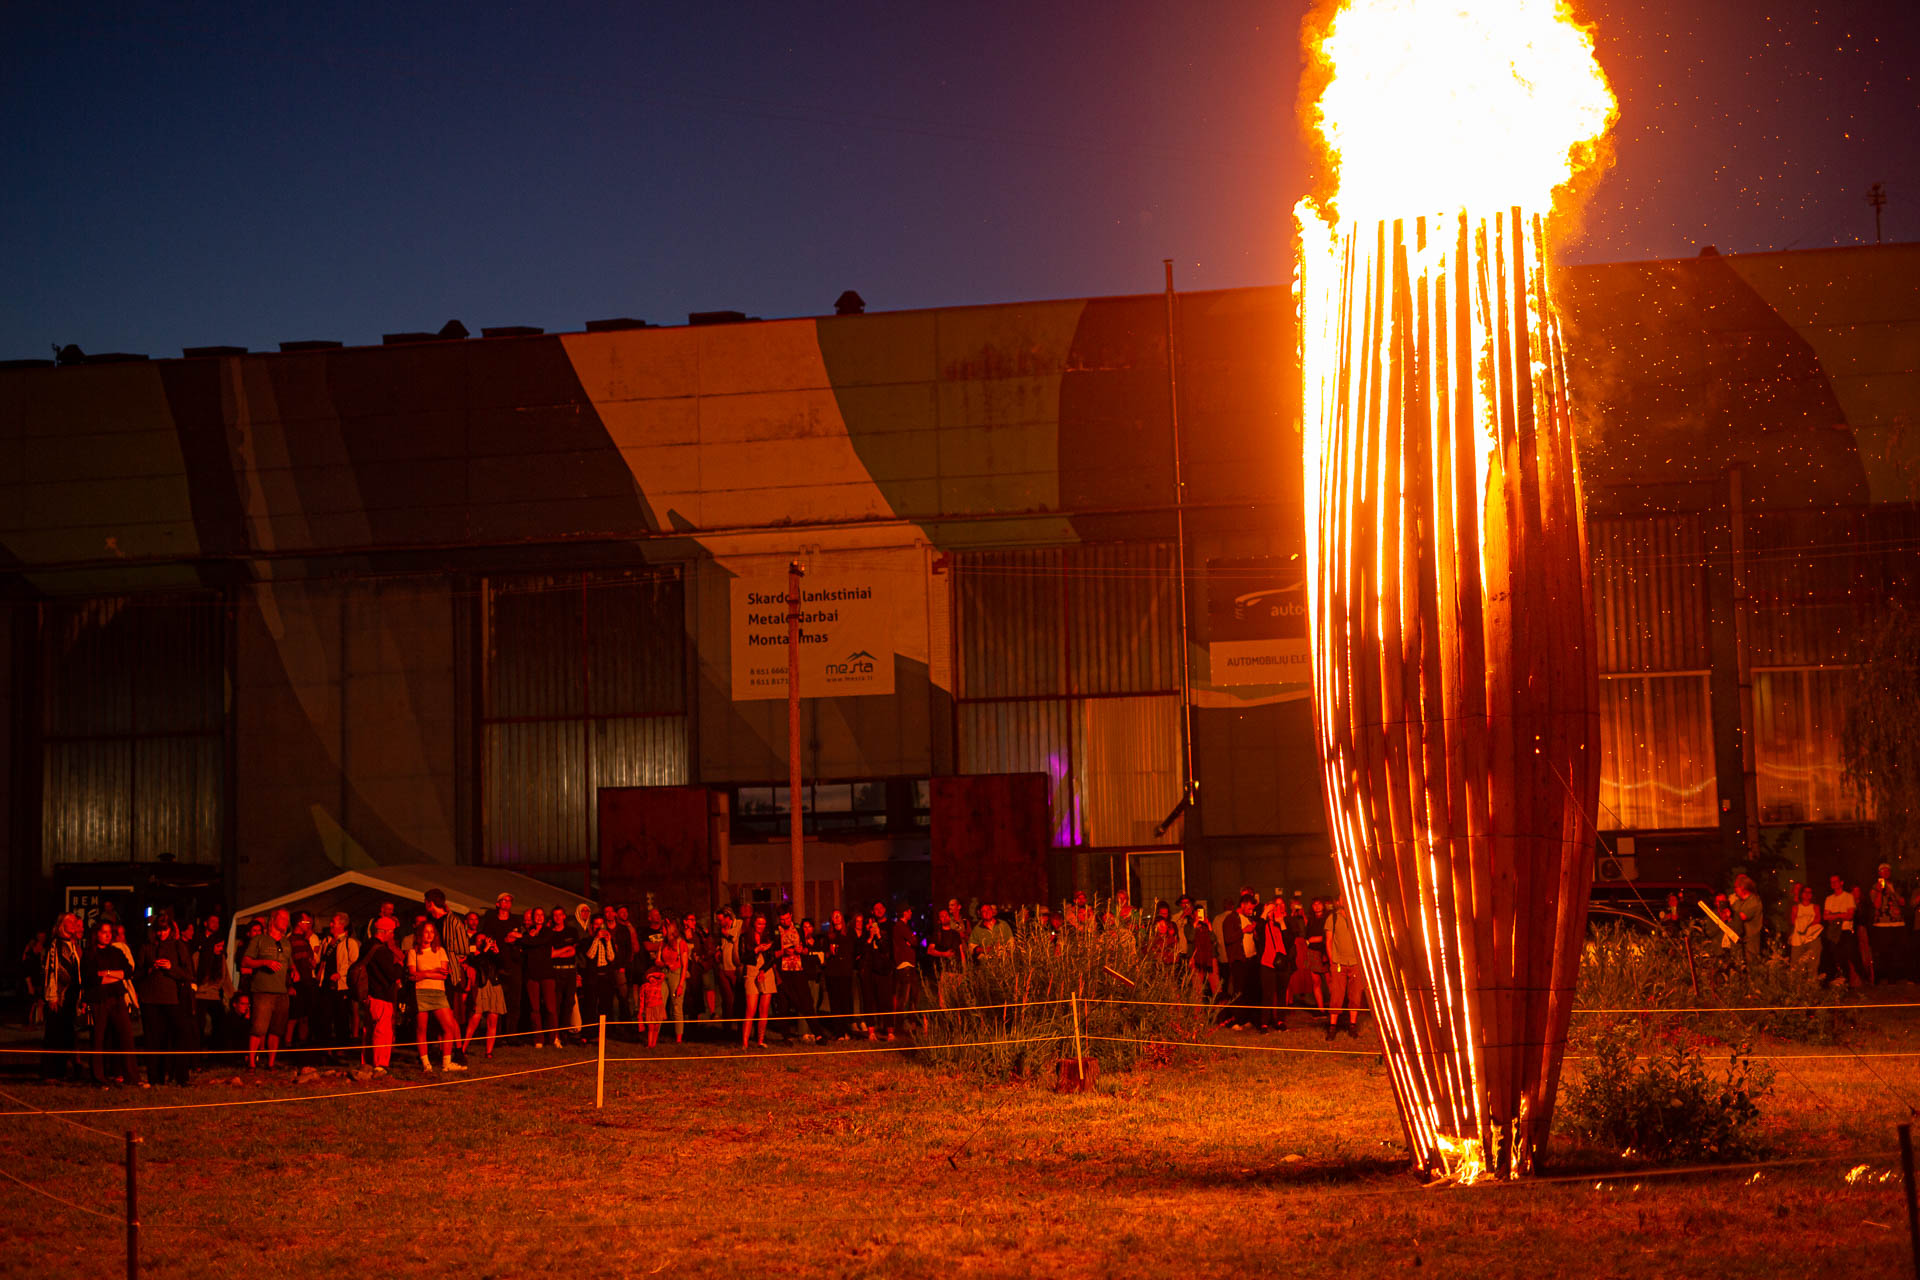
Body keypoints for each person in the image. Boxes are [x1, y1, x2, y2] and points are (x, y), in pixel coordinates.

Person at [82, 919, 142, 1087]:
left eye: (109, 932)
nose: (107, 935)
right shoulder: (89, 954)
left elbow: (128, 971)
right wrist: (115, 976)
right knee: (98, 1039)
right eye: (103, 932)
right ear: (96, 934)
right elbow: (91, 978)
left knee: (126, 1036)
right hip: (99, 999)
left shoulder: (116, 952)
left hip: (117, 997)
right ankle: (99, 1077)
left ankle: (131, 1076)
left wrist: (108, 973)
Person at [137, 914, 196, 1085]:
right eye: (158, 930)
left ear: (170, 930)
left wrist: (171, 968)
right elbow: (137, 974)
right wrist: (150, 969)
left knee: (179, 1038)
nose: (161, 934)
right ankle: (155, 1078)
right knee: (153, 1040)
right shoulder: (146, 947)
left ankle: (181, 1077)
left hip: (173, 1000)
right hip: (150, 1000)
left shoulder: (179, 946)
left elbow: (188, 974)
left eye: (164, 930)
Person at [240, 907, 295, 1071]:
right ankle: (251, 1062)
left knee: (277, 1029)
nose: (286, 922)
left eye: (287, 920)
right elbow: (245, 962)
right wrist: (264, 962)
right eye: (283, 919)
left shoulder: (286, 943)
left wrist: (294, 974)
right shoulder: (259, 940)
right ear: (273, 920)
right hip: (263, 990)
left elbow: (289, 964)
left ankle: (271, 1063)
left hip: (282, 992)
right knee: (258, 1028)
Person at [407, 919, 466, 1073]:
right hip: (420, 992)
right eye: (426, 931)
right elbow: (412, 975)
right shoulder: (413, 952)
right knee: (421, 1029)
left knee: (448, 1026)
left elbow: (443, 975)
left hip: (438, 993)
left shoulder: (440, 951)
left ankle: (446, 1063)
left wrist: (423, 974)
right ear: (420, 934)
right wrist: (431, 972)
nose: (429, 935)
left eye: (432, 931)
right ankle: (426, 1064)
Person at [40, 913, 85, 1080]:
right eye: (70, 922)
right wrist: (52, 995)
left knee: (66, 1034)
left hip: (71, 998)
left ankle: (60, 1071)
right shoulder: (55, 946)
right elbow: (50, 972)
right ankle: (50, 1072)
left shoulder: (72, 946)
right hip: (58, 997)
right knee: (54, 1035)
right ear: (61, 926)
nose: (74, 924)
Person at [1218, 891, 1264, 1029]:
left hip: (1251, 959)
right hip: (1239, 960)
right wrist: (1243, 931)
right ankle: (1235, 1020)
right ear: (1242, 905)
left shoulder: (1248, 918)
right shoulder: (1231, 919)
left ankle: (1245, 1018)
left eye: (1253, 909)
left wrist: (1254, 933)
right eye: (1249, 908)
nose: (1251, 911)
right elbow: (1228, 939)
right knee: (1238, 991)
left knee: (1249, 991)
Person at [365, 917, 404, 1075]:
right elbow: (392, 973)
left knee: (370, 1030)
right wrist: (399, 966)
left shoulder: (367, 946)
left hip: (369, 994)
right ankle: (380, 1064)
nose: (393, 935)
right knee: (382, 1031)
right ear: (386, 931)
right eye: (392, 932)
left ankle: (367, 1061)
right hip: (381, 994)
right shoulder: (381, 950)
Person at [1325, 893, 1367, 1040]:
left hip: (1355, 962)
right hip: (1339, 963)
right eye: (1343, 897)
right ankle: (1332, 1028)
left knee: (1355, 995)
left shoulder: (1358, 917)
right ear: (1338, 901)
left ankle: (1352, 1026)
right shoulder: (1333, 918)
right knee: (1337, 994)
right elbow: (1329, 941)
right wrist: (1332, 960)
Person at [463, 924, 506, 1059]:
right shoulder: (473, 953)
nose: (483, 942)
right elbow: (477, 962)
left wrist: (497, 952)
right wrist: (486, 949)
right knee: (474, 1019)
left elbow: (503, 965)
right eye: (480, 940)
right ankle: (462, 1048)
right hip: (481, 987)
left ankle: (489, 1051)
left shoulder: (490, 953)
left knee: (493, 1019)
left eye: (485, 940)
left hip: (494, 986)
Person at [741, 914, 776, 1049]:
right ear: (754, 924)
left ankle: (760, 1040)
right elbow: (743, 958)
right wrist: (757, 950)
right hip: (751, 971)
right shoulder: (745, 938)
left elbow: (772, 958)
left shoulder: (768, 937)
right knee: (751, 1009)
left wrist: (763, 970)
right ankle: (744, 1042)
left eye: (763, 924)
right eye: (759, 923)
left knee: (764, 1009)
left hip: (766, 971)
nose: (761, 926)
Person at [1870, 865, 1908, 984]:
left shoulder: (1896, 886)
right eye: (1882, 870)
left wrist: (1893, 891)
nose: (1885, 872)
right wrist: (1880, 891)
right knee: (1883, 952)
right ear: (1879, 873)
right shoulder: (1875, 887)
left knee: (1896, 951)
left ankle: (1894, 978)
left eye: (1887, 870)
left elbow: (1902, 902)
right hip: (1882, 924)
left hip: (1897, 922)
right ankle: (1881, 977)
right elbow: (1876, 905)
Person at [1823, 875, 1862, 986]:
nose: (1834, 884)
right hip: (1835, 932)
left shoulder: (1848, 897)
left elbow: (1850, 915)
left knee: (1852, 955)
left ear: (1841, 882)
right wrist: (1841, 915)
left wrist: (1834, 915)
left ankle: (1863, 978)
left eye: (1836, 881)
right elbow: (1826, 917)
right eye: (1832, 882)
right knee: (1839, 957)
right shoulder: (1829, 899)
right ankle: (1846, 981)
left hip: (1846, 930)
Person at [1729, 875, 1764, 965]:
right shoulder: (1739, 901)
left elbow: (1742, 916)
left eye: (1736, 887)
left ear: (1743, 887)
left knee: (1752, 968)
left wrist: (1730, 911)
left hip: (1750, 943)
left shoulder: (1754, 900)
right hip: (1739, 942)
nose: (1735, 889)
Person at [1789, 886, 1823, 976]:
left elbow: (1818, 920)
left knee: (1813, 965)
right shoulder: (1796, 907)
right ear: (1801, 894)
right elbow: (1793, 921)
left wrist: (1803, 921)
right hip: (1798, 939)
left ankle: (1812, 987)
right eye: (1805, 892)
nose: (1807, 894)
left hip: (1813, 938)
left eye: (1810, 892)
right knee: (1796, 965)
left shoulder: (1815, 907)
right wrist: (1809, 919)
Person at [1189, 907, 1220, 999]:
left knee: (1216, 986)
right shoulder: (1189, 926)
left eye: (1201, 913)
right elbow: (1190, 938)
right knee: (1197, 988)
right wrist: (1195, 925)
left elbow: (1214, 939)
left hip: (1210, 958)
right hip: (1197, 959)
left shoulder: (1207, 925)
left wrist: (1209, 927)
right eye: (1197, 913)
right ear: (1193, 915)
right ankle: (1197, 1012)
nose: (1199, 915)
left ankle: (1219, 1010)